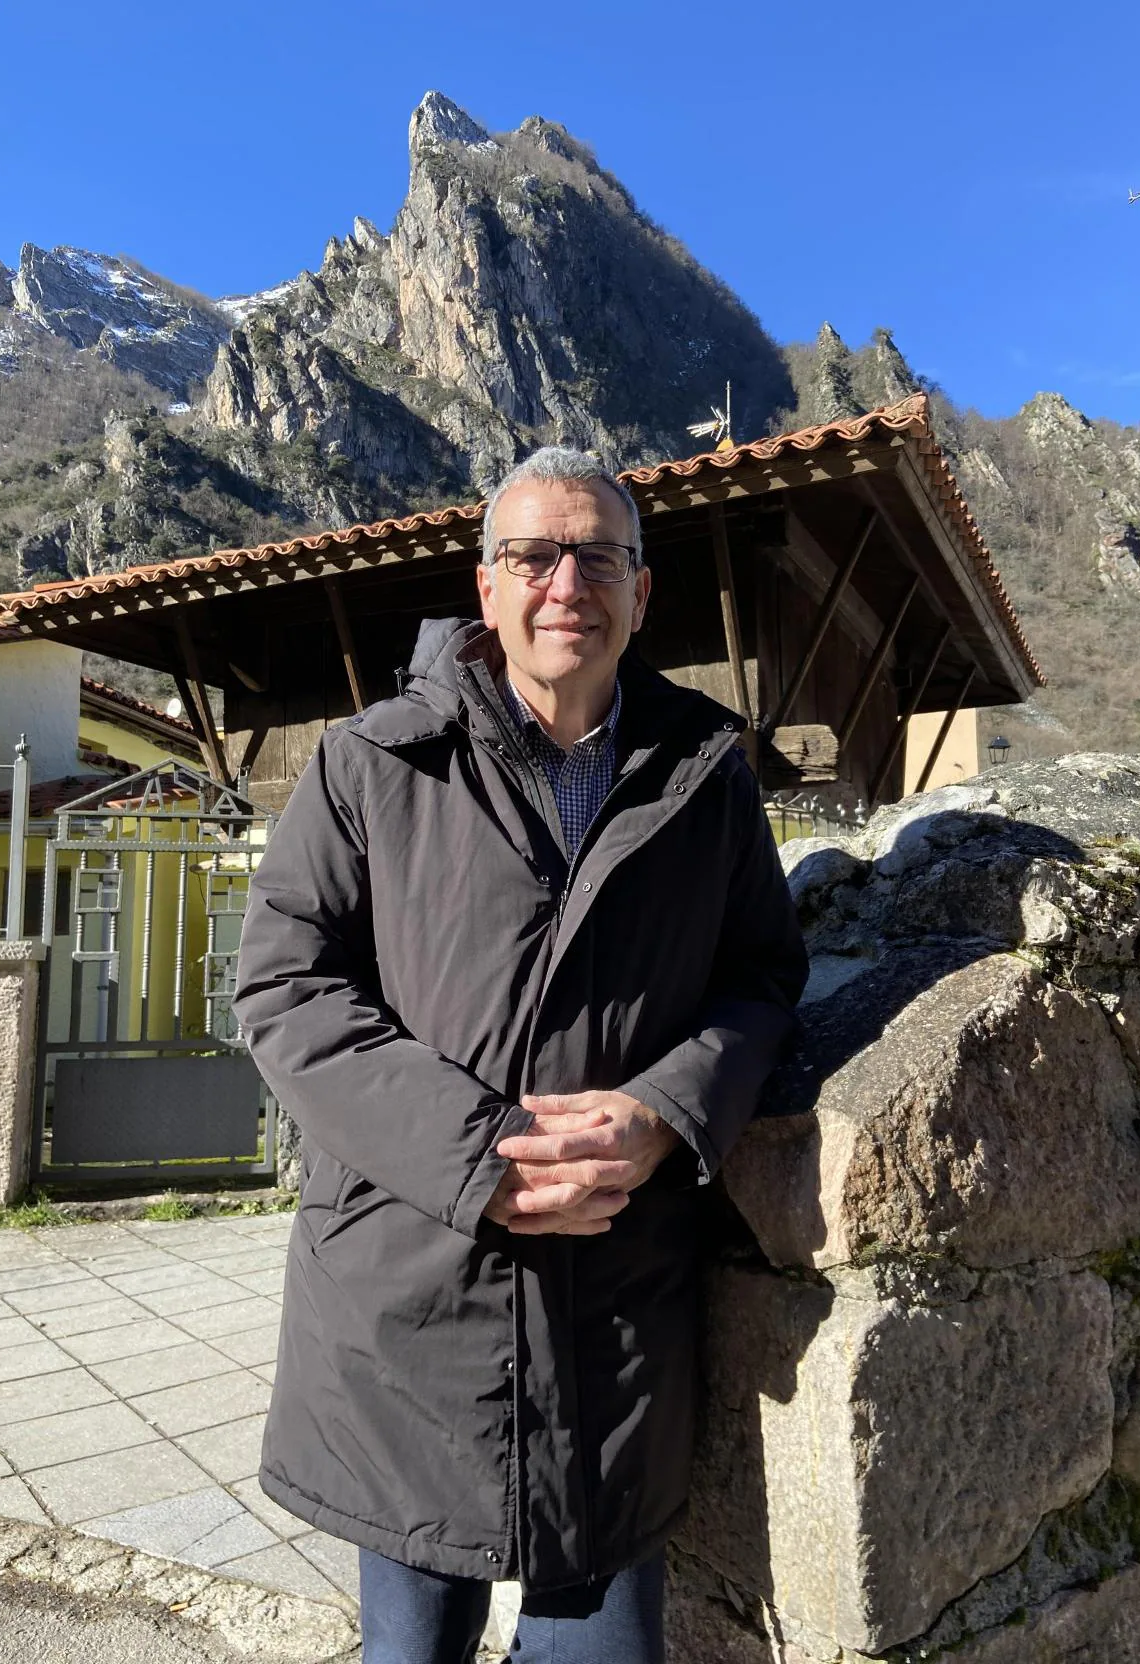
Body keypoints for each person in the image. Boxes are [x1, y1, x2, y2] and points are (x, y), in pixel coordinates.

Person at [232, 447, 808, 1664]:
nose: (568, 582)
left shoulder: (707, 775)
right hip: (408, 1298)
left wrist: (663, 1111)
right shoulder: (369, 763)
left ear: (642, 594)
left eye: (600, 554)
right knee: (408, 1651)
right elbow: (285, 986)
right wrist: (474, 1152)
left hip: (616, 1317)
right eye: (534, 554)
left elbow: (762, 977)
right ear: (484, 589)